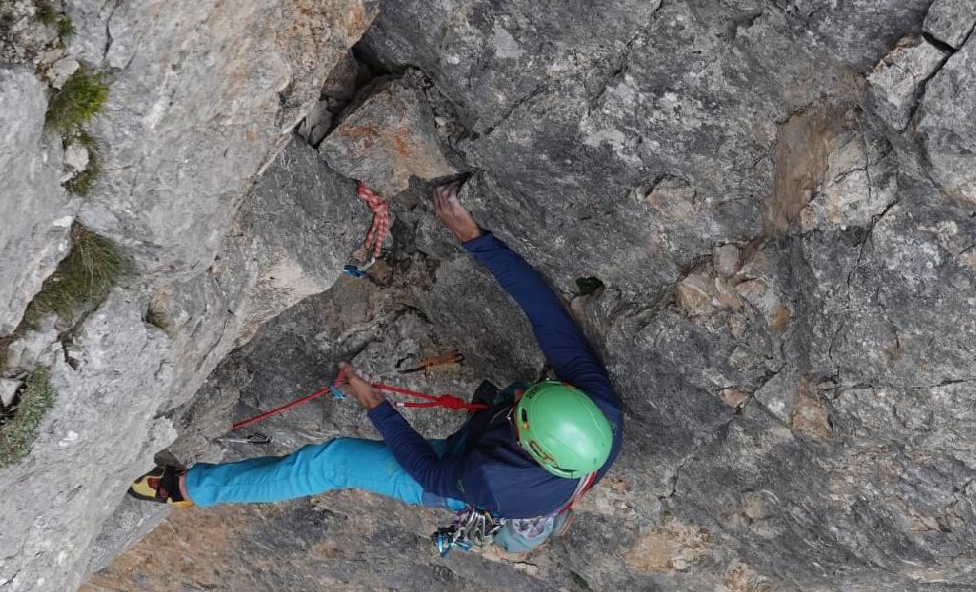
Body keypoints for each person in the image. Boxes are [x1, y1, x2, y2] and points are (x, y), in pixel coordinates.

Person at [129, 187, 622, 551]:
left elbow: (426, 469)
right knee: (509, 389)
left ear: (530, 447)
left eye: (522, 413)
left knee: (332, 462)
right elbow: (545, 313)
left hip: (466, 482)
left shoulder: (495, 479)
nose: (520, 397)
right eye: (533, 396)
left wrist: (376, 405)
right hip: (510, 465)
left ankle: (184, 488)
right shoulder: (600, 410)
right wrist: (475, 239)